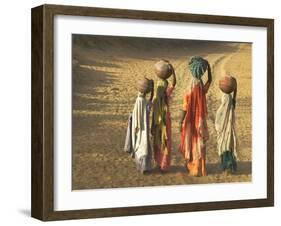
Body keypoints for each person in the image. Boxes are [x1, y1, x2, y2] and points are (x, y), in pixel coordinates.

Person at [179, 56, 212, 176]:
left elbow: (185, 106)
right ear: (202, 71)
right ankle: (202, 168)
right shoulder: (201, 85)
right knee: (201, 142)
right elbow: (210, 81)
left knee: (192, 141)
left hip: (191, 120)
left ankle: (195, 167)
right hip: (200, 120)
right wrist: (209, 69)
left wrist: (180, 121)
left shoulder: (191, 86)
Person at [124, 78, 154, 174]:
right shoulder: (141, 100)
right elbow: (144, 112)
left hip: (142, 127)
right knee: (143, 147)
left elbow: (147, 106)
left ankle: (142, 167)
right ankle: (143, 168)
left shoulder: (140, 99)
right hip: (142, 128)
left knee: (142, 146)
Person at [152, 61, 176, 172]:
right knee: (165, 140)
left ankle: (158, 163)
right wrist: (173, 70)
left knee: (158, 139)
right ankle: (163, 165)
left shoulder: (157, 90)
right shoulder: (166, 93)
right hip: (165, 118)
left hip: (157, 118)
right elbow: (174, 83)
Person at [215, 77, 238, 175]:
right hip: (229, 129)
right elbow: (234, 100)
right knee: (229, 147)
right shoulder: (232, 102)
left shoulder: (225, 100)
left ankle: (227, 168)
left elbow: (219, 116)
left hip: (225, 130)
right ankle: (229, 168)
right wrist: (235, 88)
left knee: (225, 147)